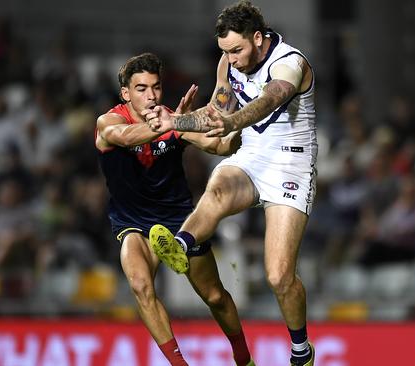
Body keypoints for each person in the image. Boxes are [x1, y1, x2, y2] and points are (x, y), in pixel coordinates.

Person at [143, 2, 317, 365]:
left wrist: (232, 119)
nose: (231, 60)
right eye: (225, 52)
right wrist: (175, 121)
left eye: (236, 50)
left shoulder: (290, 62)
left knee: (279, 276)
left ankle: (301, 349)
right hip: (252, 155)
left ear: (258, 37)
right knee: (218, 185)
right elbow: (215, 113)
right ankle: (180, 245)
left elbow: (271, 98)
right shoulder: (228, 62)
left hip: (290, 164)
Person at [95, 53, 253, 366]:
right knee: (141, 286)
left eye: (155, 87)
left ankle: (244, 359)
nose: (150, 95)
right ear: (125, 93)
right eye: (141, 89)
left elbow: (217, 146)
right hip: (133, 222)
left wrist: (239, 125)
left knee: (215, 297)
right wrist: (170, 125)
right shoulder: (109, 122)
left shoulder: (173, 118)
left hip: (179, 221)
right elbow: (124, 137)